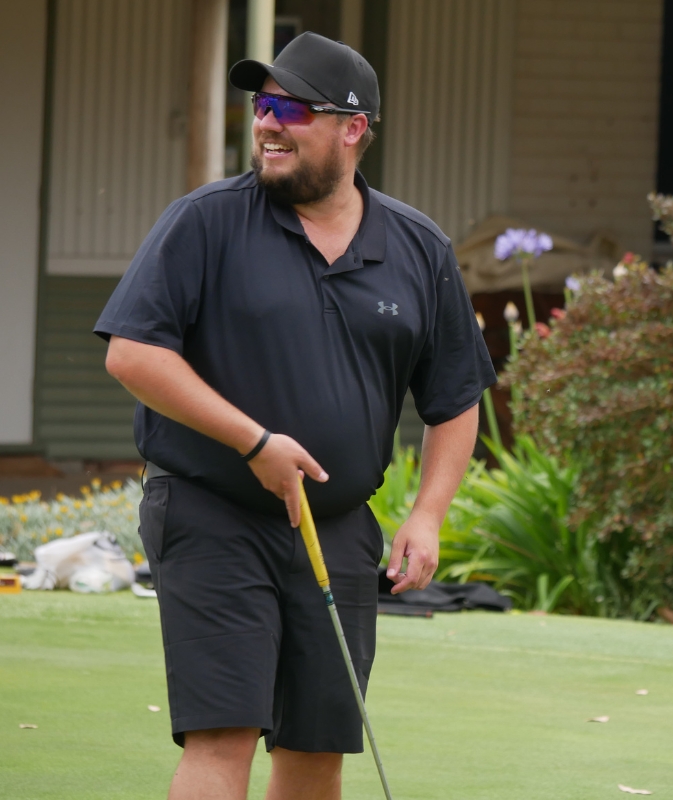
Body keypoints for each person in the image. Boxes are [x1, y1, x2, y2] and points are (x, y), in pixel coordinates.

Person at [95, 33, 495, 799]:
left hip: (338, 526)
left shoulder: (418, 246)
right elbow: (133, 355)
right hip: (213, 509)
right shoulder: (205, 222)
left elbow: (455, 397)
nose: (267, 124)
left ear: (354, 128)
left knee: (316, 747)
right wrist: (253, 441)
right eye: (261, 106)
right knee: (223, 734)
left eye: (290, 109)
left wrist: (429, 515)